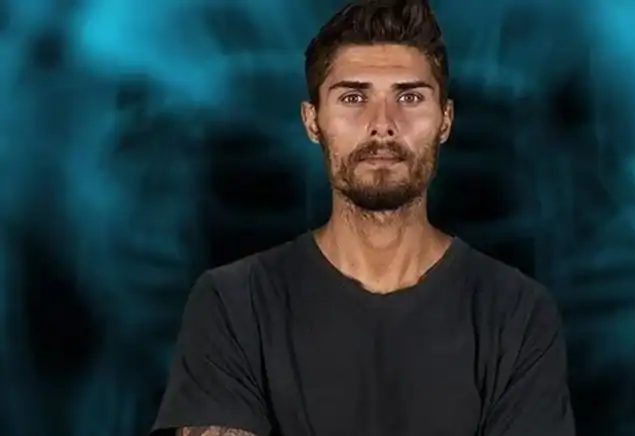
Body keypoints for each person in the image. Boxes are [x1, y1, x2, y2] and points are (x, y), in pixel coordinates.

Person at [150, 0, 576, 435]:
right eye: (353, 98)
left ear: (445, 119)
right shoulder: (234, 304)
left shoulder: (517, 312)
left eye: (409, 97)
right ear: (312, 120)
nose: (382, 124)